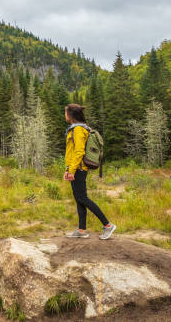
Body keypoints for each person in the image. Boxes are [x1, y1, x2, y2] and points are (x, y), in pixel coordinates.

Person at [63, 103, 116, 240]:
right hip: (76, 168)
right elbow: (72, 152)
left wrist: (72, 170)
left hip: (79, 169)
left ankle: (108, 225)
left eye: (66, 113)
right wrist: (68, 169)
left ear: (71, 115)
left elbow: (79, 151)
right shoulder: (76, 129)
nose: (65, 115)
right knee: (79, 199)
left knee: (82, 198)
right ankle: (81, 230)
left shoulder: (79, 130)